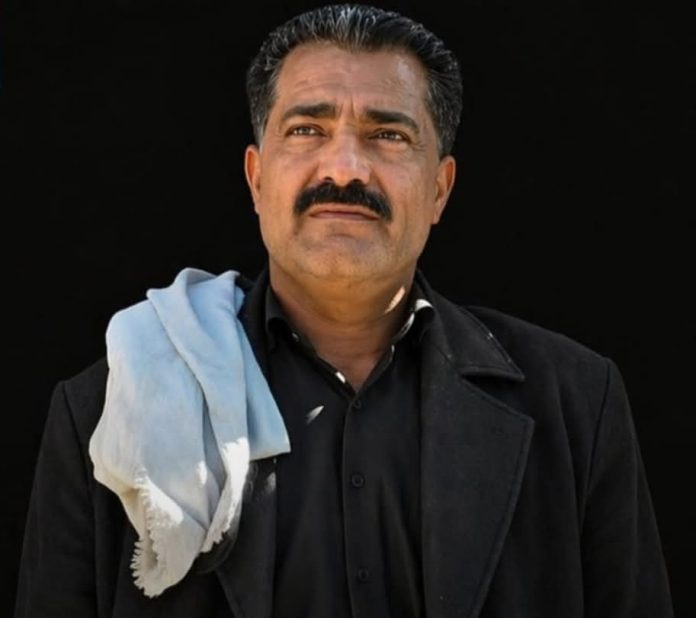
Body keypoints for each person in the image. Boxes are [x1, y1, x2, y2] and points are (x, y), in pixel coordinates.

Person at [15, 4, 673, 617]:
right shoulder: (110, 409)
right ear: (256, 178)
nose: (346, 168)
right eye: (308, 129)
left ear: (439, 189)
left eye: (388, 134)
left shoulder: (576, 405)